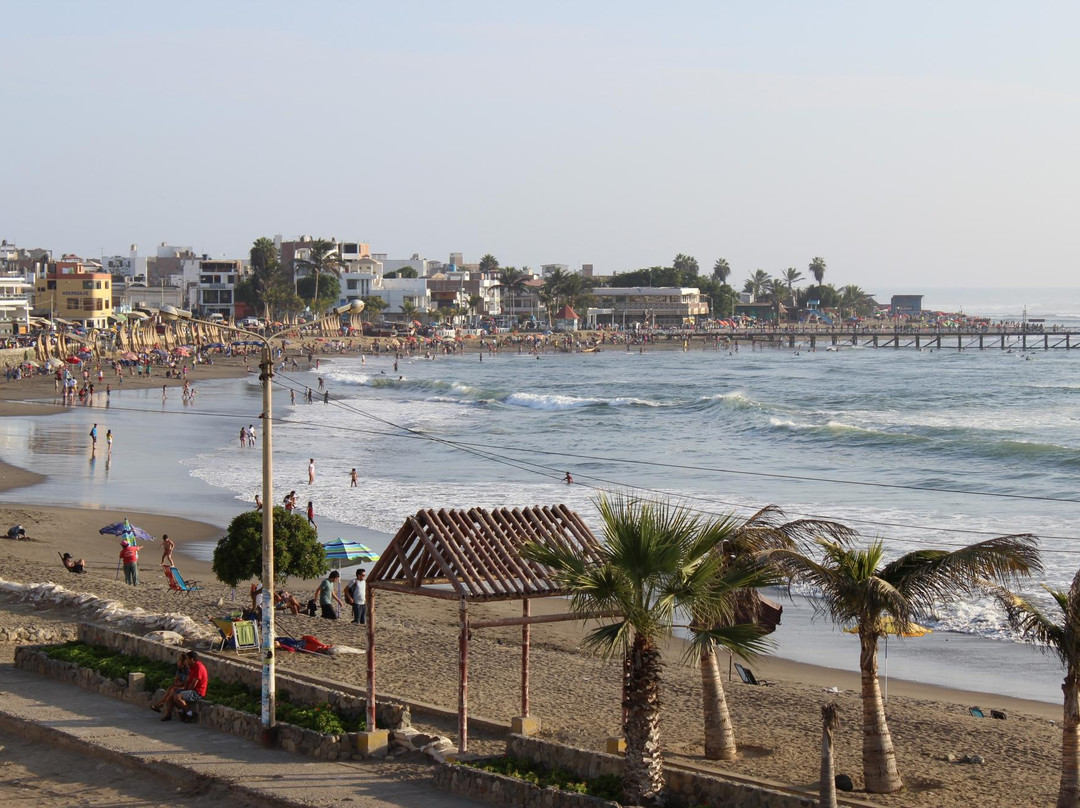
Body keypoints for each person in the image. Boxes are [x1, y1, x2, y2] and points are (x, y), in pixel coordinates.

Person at [160, 649, 207, 722]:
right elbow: (187, 680)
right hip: (190, 689)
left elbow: (194, 684)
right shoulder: (191, 667)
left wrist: (183, 692)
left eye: (187, 659)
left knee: (177, 696)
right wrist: (179, 686)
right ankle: (171, 713)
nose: (186, 661)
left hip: (197, 692)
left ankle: (190, 713)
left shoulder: (199, 668)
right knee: (170, 696)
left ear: (192, 659)